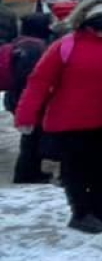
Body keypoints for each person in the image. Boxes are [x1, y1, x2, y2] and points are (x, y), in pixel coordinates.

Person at [15, 0, 102, 232]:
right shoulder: (65, 45)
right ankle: (80, 212)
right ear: (83, 21)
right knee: (76, 169)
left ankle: (99, 208)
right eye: (96, 26)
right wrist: (26, 115)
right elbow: (39, 82)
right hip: (71, 119)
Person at [6, 13, 53, 184]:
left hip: (16, 97)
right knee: (32, 137)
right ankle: (27, 174)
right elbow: (31, 78)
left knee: (32, 136)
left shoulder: (20, 43)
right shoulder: (35, 49)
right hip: (28, 99)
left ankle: (31, 171)